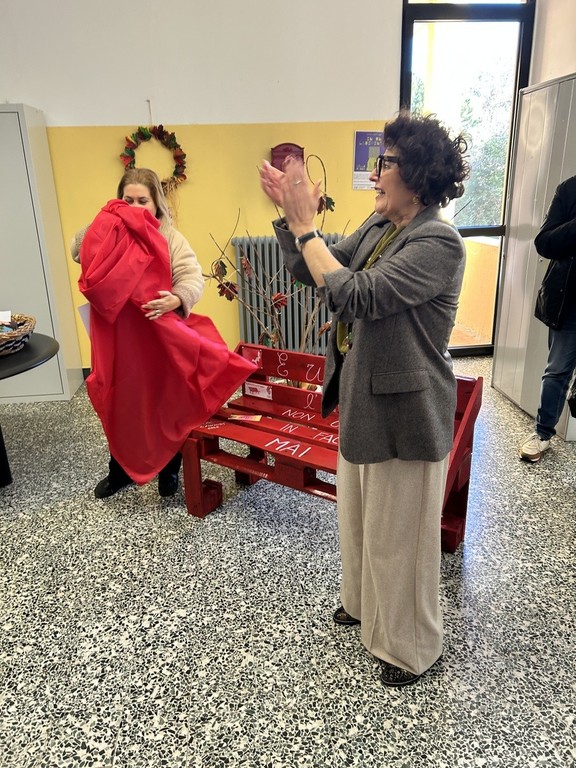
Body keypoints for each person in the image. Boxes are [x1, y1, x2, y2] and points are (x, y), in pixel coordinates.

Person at [259, 110, 470, 687]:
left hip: (407, 410)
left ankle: (410, 647)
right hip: (363, 395)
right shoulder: (381, 226)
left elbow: (358, 295)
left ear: (418, 177)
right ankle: (361, 606)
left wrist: (306, 228)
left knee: (400, 539)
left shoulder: (438, 242)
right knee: (359, 520)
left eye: (386, 163)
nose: (375, 175)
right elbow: (316, 272)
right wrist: (292, 221)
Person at [72, 167, 256, 499]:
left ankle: (169, 469)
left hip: (157, 340)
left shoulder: (170, 237)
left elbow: (191, 276)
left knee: (164, 404)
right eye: (127, 199)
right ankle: (120, 471)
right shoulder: (110, 229)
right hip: (119, 340)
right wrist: (104, 222)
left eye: (142, 200)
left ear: (157, 203)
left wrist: (177, 298)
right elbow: (78, 249)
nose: (135, 206)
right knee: (121, 402)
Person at [519, 174, 576, 462]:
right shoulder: (569, 189)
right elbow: (544, 242)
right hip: (570, 301)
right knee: (557, 372)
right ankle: (542, 434)